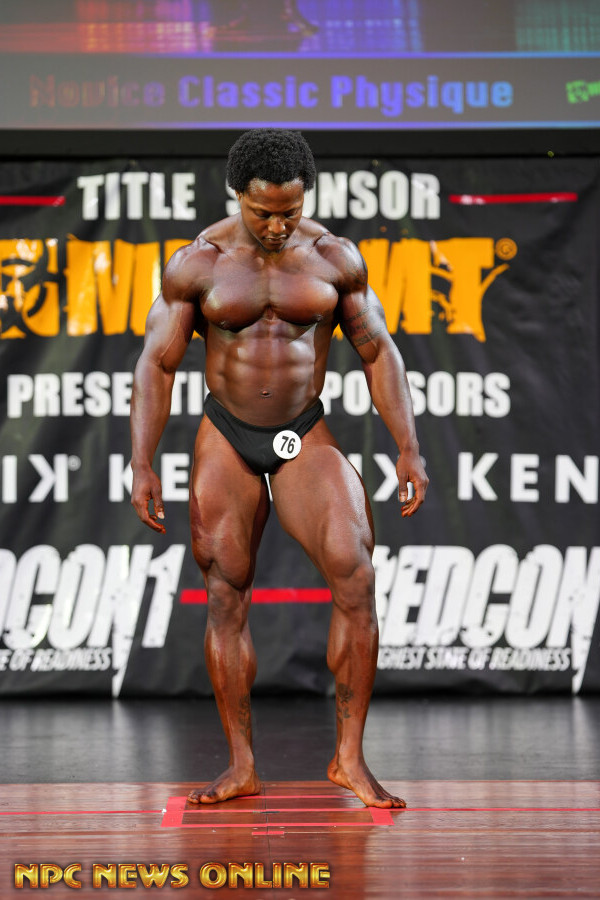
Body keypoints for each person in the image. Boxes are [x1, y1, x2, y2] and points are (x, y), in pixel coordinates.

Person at [130, 129, 428, 809]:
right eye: (263, 212)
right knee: (226, 591)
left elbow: (377, 351)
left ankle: (348, 759)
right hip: (227, 435)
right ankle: (242, 765)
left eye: (290, 211)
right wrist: (142, 461)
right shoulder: (197, 264)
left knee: (356, 573)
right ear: (238, 196)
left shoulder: (333, 259)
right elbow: (158, 363)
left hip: (300, 431)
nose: (276, 225)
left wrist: (408, 446)